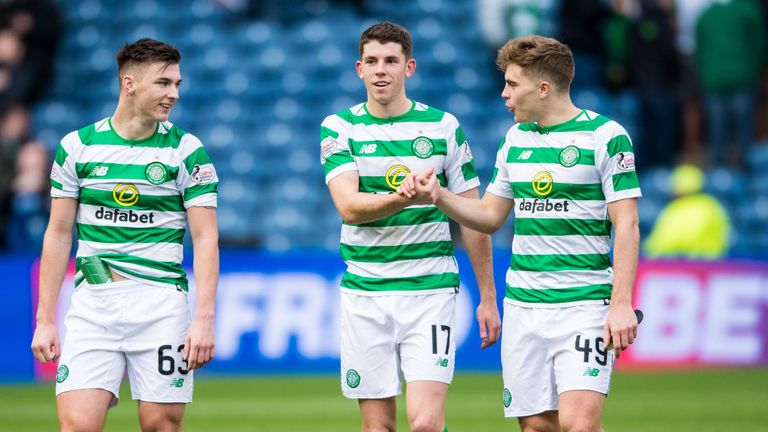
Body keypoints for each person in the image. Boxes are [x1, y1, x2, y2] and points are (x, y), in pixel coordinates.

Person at [400, 35, 641, 431]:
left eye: (512, 84)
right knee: (536, 427)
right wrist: (438, 195)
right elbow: (490, 216)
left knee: (579, 426)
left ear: (543, 89)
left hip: (582, 305)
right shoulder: (515, 141)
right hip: (524, 309)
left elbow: (627, 223)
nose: (504, 94)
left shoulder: (605, 136)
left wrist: (621, 303)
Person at [30, 38, 219, 432]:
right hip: (93, 306)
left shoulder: (187, 151)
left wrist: (203, 320)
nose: (174, 94)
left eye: (177, 84)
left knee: (160, 426)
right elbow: (58, 233)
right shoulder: (77, 147)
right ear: (129, 83)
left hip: (161, 307)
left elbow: (205, 239)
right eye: (164, 83)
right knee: (77, 426)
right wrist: (45, 318)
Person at [320, 22, 501, 432]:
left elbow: (473, 216)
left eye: (391, 61)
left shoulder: (443, 127)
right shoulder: (339, 127)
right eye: (372, 61)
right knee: (377, 427)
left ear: (410, 67)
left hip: (429, 290)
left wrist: (488, 295)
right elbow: (348, 207)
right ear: (359, 69)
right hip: (365, 293)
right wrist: (403, 198)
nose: (381, 70)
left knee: (425, 424)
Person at [643, 164, 731, 259]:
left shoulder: (675, 209)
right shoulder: (713, 205)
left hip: (681, 263)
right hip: (713, 263)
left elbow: (662, 243)